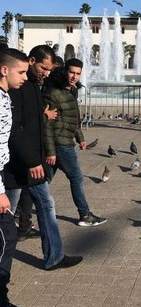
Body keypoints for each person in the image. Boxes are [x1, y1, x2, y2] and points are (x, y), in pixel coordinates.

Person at [5, 45, 83, 271]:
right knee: (7, 213)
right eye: (43, 68)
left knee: (45, 204)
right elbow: (16, 129)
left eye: (49, 69)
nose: (47, 73)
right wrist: (32, 160)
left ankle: (54, 256)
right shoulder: (18, 86)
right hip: (19, 164)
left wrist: (43, 117)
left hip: (31, 161)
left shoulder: (33, 84)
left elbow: (30, 121)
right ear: (31, 61)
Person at [43, 58, 106, 227]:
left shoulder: (72, 90)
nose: (74, 76)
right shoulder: (53, 92)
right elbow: (47, 124)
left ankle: (20, 214)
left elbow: (73, 117)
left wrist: (80, 137)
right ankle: (84, 215)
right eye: (71, 72)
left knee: (42, 180)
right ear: (65, 71)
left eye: (78, 73)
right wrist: (50, 151)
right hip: (60, 142)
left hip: (65, 140)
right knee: (76, 177)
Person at [0, 48, 29, 307]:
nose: (25, 77)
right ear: (4, 70)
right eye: (21, 72)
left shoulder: (6, 96)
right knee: (7, 237)